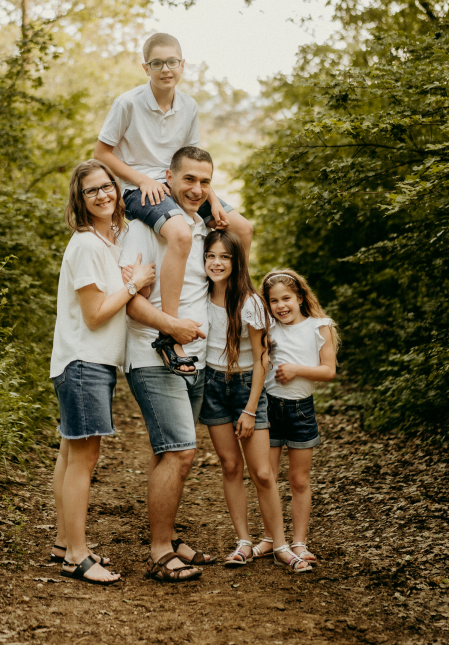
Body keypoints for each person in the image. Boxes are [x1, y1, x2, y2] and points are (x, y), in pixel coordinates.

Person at [94, 32, 253, 374]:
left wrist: (212, 198)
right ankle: (169, 330)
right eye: (157, 63)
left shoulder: (189, 106)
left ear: (182, 65)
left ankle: (229, 307)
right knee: (180, 233)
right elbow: (102, 154)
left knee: (242, 228)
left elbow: (193, 160)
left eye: (172, 62)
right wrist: (142, 180)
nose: (165, 69)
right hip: (140, 189)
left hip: (178, 181)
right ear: (146, 68)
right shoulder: (127, 103)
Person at [49, 159, 155, 586]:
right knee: (84, 458)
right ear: (80, 199)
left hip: (85, 361)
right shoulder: (88, 245)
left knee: (69, 453)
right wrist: (133, 285)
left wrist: (134, 281)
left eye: (107, 186)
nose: (102, 195)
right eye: (91, 190)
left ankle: (64, 543)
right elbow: (95, 315)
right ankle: (77, 556)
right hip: (83, 363)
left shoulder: (106, 244)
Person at [119, 145, 218, 583]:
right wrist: (172, 327)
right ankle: (159, 552)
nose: (196, 189)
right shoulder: (147, 227)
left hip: (193, 360)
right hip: (152, 355)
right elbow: (130, 302)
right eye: (188, 179)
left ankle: (170, 536)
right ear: (168, 178)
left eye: (205, 181)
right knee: (180, 451)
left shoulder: (201, 228)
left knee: (171, 452)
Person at [198, 232, 312, 573]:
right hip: (212, 386)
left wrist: (250, 409)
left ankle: (280, 545)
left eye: (225, 257)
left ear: (237, 262)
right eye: (210, 256)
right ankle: (244, 542)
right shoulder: (198, 295)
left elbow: (262, 358)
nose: (217, 263)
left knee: (262, 472)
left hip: (246, 386)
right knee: (230, 466)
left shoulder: (250, 302)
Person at [253, 269, 338, 565]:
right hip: (269, 408)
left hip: (302, 410)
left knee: (299, 480)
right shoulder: (268, 329)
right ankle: (271, 538)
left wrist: (296, 370)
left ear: (300, 298)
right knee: (267, 477)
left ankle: (299, 542)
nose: (281, 306)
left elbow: (329, 371)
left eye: (286, 298)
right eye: (274, 301)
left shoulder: (319, 326)